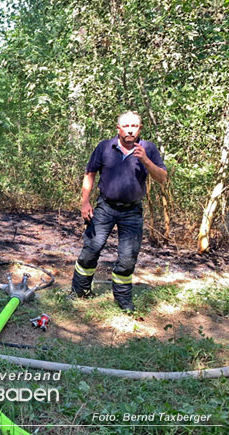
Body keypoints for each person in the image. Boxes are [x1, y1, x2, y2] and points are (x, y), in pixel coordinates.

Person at [70, 111, 167, 312]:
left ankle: (123, 301)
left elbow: (163, 177)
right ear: (118, 128)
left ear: (140, 128)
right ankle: (80, 292)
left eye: (135, 126)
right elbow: (90, 173)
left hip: (132, 212)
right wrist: (85, 202)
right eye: (126, 126)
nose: (130, 129)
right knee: (91, 249)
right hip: (105, 207)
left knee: (127, 257)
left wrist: (146, 161)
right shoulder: (105, 147)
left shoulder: (148, 148)